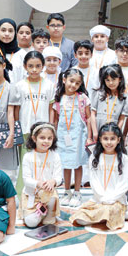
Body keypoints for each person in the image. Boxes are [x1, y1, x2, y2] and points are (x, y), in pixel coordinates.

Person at [70, 122, 128, 231]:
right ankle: (106, 217)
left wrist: (111, 199)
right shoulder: (95, 157)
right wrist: (103, 198)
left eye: (112, 139)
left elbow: (124, 183)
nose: (109, 142)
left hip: (116, 200)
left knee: (110, 209)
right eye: (105, 138)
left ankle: (105, 215)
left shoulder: (124, 159)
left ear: (118, 140)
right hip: (99, 199)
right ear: (100, 139)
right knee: (79, 218)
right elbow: (94, 181)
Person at [10, 51, 55, 196]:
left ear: (43, 66)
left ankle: (43, 195)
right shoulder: (19, 85)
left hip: (44, 132)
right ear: (25, 66)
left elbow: (51, 108)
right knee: (26, 164)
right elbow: (16, 110)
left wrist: (51, 127)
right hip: (25, 131)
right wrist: (17, 130)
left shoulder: (49, 85)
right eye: (30, 66)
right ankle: (22, 194)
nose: (34, 69)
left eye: (38, 66)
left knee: (43, 163)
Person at [50, 68, 92, 208]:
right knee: (66, 164)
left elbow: (89, 117)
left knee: (78, 163)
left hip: (79, 136)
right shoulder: (58, 98)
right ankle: (67, 191)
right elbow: (55, 120)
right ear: (64, 80)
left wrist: (90, 137)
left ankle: (77, 192)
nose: (73, 85)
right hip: (63, 136)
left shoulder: (82, 98)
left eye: (77, 83)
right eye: (71, 81)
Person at [20, 123, 63, 228]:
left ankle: (49, 212)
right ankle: (40, 212)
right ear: (34, 138)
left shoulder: (55, 156)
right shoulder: (28, 156)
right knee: (31, 223)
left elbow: (59, 177)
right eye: (42, 138)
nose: (46, 141)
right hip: (32, 195)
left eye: (49, 138)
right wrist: (38, 184)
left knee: (49, 221)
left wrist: (53, 181)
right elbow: (26, 179)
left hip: (48, 194)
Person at [89, 64, 128, 142]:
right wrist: (94, 132)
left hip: (113, 130)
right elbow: (93, 113)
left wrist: (117, 133)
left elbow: (121, 119)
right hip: (98, 128)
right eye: (107, 80)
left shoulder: (124, 97)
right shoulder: (98, 93)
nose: (111, 83)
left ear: (120, 79)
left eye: (113, 79)